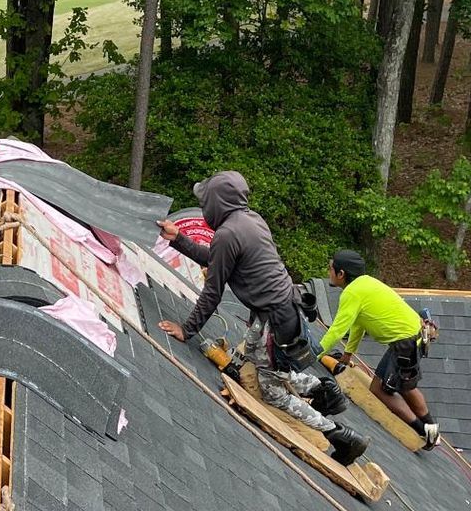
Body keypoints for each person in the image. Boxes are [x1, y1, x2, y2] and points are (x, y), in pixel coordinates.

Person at [154, 171, 369, 466]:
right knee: (255, 361)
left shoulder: (228, 234)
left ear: (217, 203)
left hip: (275, 322)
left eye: (206, 202)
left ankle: (342, 436)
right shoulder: (251, 220)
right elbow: (216, 261)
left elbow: (213, 291)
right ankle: (322, 389)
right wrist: (179, 238)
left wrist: (186, 330)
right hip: (280, 313)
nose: (204, 210)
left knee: (271, 391)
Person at [319, 249, 440, 449]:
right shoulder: (365, 283)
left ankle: (424, 431)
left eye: (331, 268)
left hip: (405, 341)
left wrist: (314, 354)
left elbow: (336, 331)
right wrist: (347, 355)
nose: (328, 271)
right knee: (406, 386)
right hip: (414, 335)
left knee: (380, 389)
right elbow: (359, 324)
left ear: (341, 274)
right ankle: (430, 429)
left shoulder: (351, 292)